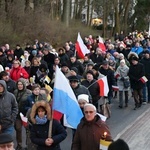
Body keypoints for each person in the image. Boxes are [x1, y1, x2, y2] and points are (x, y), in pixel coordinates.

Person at [13, 78, 32, 150]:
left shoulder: (29, 92)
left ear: (24, 85)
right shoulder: (15, 92)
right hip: (18, 114)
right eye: (18, 84)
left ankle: (28, 144)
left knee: (28, 130)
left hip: (26, 114)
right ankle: (19, 144)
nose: (19, 86)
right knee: (18, 128)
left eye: (21, 84)